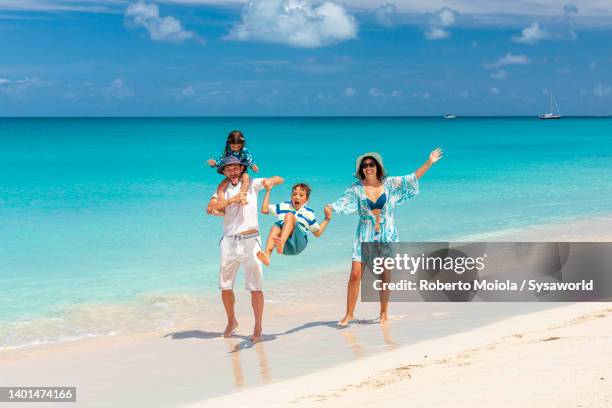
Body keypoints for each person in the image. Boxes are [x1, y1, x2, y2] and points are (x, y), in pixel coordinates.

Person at [328, 149, 443, 326]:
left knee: (384, 275)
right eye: (364, 165)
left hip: (386, 234)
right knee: (355, 274)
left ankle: (383, 313)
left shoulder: (390, 184)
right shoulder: (356, 188)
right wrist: (330, 208)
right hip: (364, 234)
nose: (368, 167)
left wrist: (429, 162)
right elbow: (341, 202)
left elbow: (411, 179)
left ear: (378, 167)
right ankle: (349, 314)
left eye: (371, 164)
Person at [206, 156, 283, 342]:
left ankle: (258, 327)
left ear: (241, 169)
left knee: (255, 287)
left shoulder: (252, 184)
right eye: (228, 169)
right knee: (225, 287)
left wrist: (270, 182)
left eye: (235, 168)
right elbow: (210, 208)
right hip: (229, 241)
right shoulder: (222, 191)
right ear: (224, 172)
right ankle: (232, 321)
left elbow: (279, 178)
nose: (232, 171)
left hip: (250, 240)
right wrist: (232, 200)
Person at [256, 183, 332, 266]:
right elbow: (264, 210)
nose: (297, 197)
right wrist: (268, 191)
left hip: (299, 243)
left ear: (306, 199)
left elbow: (317, 233)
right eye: (294, 194)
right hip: (285, 247)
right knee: (276, 226)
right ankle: (267, 255)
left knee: (289, 216)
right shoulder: (284, 206)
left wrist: (327, 218)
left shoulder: (308, 213)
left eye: (301, 195)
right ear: (291, 196)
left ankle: (281, 242)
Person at [207, 130, 259, 205]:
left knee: (246, 178)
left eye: (238, 146)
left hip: (242, 171)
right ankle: (222, 205)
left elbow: (249, 160)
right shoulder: (227, 151)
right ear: (229, 144)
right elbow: (222, 160)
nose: (236, 148)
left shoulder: (244, 151)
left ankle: (242, 196)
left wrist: (253, 166)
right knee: (221, 187)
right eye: (233, 146)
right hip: (231, 174)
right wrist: (215, 163)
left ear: (242, 144)